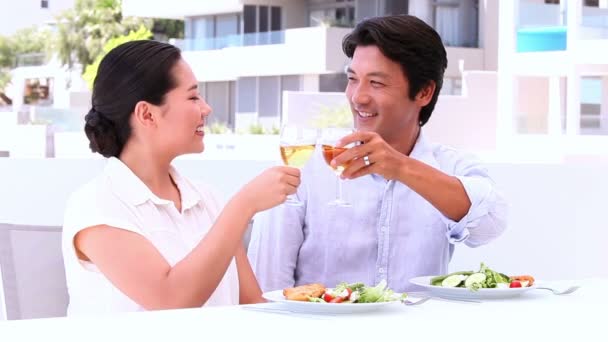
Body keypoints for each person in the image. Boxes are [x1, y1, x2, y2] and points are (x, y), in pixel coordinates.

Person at [247, 15, 508, 293]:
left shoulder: (449, 165)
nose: (358, 97)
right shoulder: (307, 164)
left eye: (376, 83)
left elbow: (490, 224)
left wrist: (401, 167)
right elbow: (267, 286)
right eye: (353, 79)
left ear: (424, 91)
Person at [62, 40, 300, 316]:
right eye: (193, 97)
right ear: (147, 114)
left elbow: (253, 306)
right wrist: (244, 205)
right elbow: (171, 301)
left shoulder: (206, 199)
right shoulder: (95, 206)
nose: (206, 108)